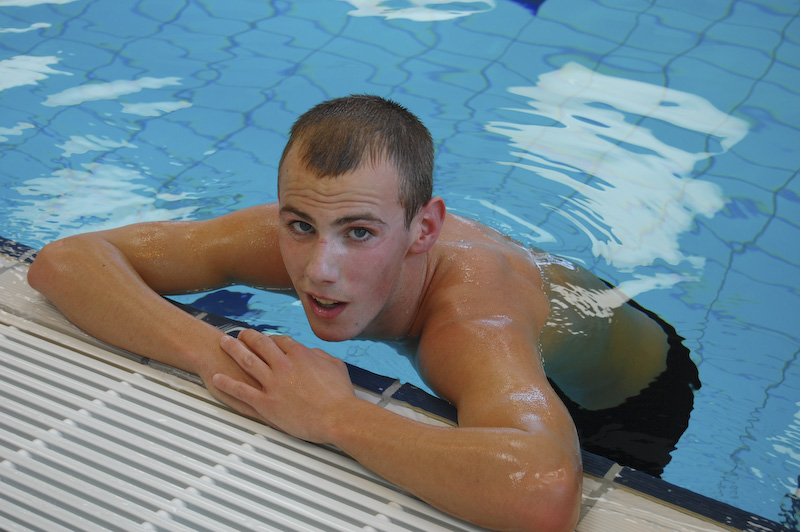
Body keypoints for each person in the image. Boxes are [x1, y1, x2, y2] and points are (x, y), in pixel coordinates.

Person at [28, 94, 699, 532]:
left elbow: (546, 489)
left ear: (423, 230)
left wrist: (335, 415)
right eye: (300, 224)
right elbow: (64, 261)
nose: (319, 269)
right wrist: (224, 358)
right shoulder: (292, 238)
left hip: (627, 394)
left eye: (359, 233)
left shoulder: (471, 325)